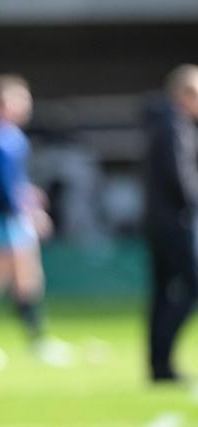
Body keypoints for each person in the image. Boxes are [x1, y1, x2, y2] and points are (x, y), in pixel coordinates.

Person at [0, 74, 71, 367]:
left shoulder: (10, 136)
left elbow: (13, 181)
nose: (27, 107)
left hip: (10, 215)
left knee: (27, 278)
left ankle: (37, 339)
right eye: (21, 100)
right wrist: (24, 210)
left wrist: (28, 196)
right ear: (3, 102)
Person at [143, 64, 198, 382]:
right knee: (190, 288)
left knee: (162, 293)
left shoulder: (161, 124)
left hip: (157, 223)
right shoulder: (174, 126)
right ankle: (163, 359)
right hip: (174, 223)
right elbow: (180, 180)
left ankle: (159, 365)